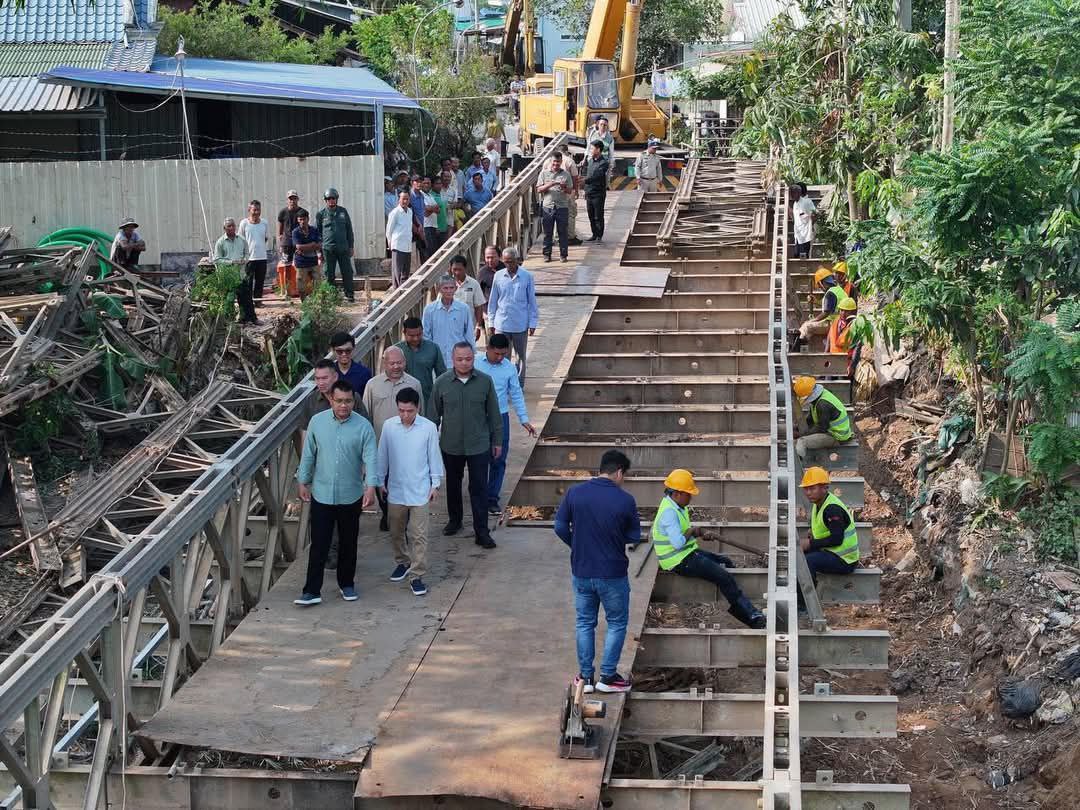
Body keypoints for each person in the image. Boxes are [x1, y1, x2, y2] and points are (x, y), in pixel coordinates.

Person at [553, 449, 640, 694]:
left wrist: (577, 545)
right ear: (619, 472)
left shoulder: (575, 493)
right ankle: (608, 677)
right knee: (616, 623)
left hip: (582, 570)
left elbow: (559, 526)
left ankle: (586, 678)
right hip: (612, 572)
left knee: (584, 622)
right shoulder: (625, 500)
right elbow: (634, 536)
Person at [294, 379, 379, 606]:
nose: (343, 405)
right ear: (331, 399)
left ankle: (347, 584)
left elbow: (371, 458)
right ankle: (311, 591)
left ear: (354, 401)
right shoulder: (317, 422)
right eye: (339, 401)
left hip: (351, 494)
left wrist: (371, 487)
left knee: (348, 542)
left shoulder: (363, 426)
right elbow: (308, 454)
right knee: (319, 544)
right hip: (322, 493)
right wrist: (302, 481)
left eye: (348, 401)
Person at [651, 469, 766, 629]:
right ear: (677, 493)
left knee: (725, 562)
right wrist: (693, 531)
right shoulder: (669, 512)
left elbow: (682, 534)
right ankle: (752, 617)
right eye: (688, 494)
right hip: (678, 561)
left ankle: (739, 600)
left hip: (685, 554)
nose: (691, 497)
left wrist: (697, 533)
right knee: (724, 577)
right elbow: (677, 543)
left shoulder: (677, 505)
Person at [428, 342, 502, 549]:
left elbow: (494, 414)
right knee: (453, 484)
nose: (464, 363)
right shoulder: (441, 383)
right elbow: (432, 417)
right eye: (459, 359)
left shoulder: (485, 382)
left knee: (479, 487)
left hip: (479, 444)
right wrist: (429, 447)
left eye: (468, 359)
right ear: (452, 359)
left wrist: (497, 441)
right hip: (451, 444)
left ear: (473, 358)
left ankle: (482, 531)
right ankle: (455, 520)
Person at [378, 387, 443, 597]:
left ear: (418, 408)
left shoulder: (428, 428)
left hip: (420, 489)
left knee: (418, 535)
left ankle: (417, 575)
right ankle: (403, 561)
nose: (405, 415)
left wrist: (435, 484)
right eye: (401, 410)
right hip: (396, 489)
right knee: (395, 530)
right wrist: (380, 480)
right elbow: (383, 455)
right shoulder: (389, 427)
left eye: (410, 411)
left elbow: (434, 455)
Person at [364, 345, 423, 531]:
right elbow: (366, 415)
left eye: (399, 362)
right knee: (382, 480)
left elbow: (421, 414)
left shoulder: (414, 384)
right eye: (392, 363)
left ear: (405, 362)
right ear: (384, 363)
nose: (396, 366)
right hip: (381, 444)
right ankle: (387, 513)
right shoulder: (372, 385)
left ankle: (401, 517)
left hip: (407, 446)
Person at [475, 333, 536, 514]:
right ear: (488, 349)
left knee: (498, 459)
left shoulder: (509, 368)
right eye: (497, 354)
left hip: (500, 418)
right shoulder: (475, 364)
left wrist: (524, 419)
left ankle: (492, 498)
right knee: (478, 459)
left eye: (503, 354)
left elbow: (516, 394)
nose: (500, 357)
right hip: (478, 417)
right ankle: (478, 494)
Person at [486, 246, 538, 388]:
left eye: (511, 261)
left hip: (520, 324)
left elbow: (532, 301)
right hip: (502, 324)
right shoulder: (498, 276)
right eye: (506, 262)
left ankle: (519, 386)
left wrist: (533, 322)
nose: (508, 265)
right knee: (502, 356)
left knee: (520, 357)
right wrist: (491, 322)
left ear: (517, 260)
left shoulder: (527, 276)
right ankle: (503, 384)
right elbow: (493, 301)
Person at [799, 466, 859, 584]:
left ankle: (806, 595)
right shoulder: (818, 503)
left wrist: (810, 543)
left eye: (812, 488)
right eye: (806, 489)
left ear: (825, 488)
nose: (808, 493)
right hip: (830, 551)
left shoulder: (832, 508)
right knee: (798, 556)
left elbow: (837, 539)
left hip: (845, 559)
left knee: (808, 561)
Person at [792, 375, 852, 459]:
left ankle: (800, 463)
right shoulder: (819, 398)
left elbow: (822, 428)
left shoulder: (822, 404)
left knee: (802, 442)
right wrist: (797, 428)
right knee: (800, 438)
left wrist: (801, 435)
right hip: (831, 431)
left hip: (836, 437)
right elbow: (811, 419)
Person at [423, 274, 476, 367]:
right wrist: (430, 354)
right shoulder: (430, 310)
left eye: (451, 288)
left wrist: (471, 353)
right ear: (439, 289)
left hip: (459, 357)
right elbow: (426, 334)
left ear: (456, 288)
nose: (449, 291)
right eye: (445, 288)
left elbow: (469, 333)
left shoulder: (463, 309)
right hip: (437, 358)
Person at [316, 188, 356, 302]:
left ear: (336, 199)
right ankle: (332, 296)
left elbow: (349, 230)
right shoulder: (321, 214)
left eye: (333, 198)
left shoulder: (343, 212)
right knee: (329, 273)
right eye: (329, 198)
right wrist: (319, 252)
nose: (331, 200)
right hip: (328, 249)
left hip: (343, 248)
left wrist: (351, 246)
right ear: (325, 200)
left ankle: (349, 294)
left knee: (347, 272)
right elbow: (318, 234)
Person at [396, 316, 446, 405]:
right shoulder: (396, 350)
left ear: (422, 332)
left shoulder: (433, 348)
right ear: (404, 333)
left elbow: (442, 375)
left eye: (419, 335)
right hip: (401, 400)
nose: (415, 338)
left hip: (426, 398)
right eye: (411, 336)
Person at [795, 267, 850, 346]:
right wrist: (816, 302)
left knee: (806, 326)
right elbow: (832, 306)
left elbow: (826, 313)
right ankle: (804, 345)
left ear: (822, 282)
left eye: (819, 285)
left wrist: (813, 320)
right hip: (840, 322)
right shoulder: (838, 290)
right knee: (808, 327)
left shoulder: (830, 293)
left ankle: (797, 346)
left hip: (833, 323)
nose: (820, 288)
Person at [537, 151, 574, 262]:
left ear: (561, 162)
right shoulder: (544, 173)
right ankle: (547, 254)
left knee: (562, 232)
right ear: (551, 161)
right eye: (554, 162)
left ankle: (563, 255)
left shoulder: (566, 174)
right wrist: (550, 184)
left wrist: (564, 187)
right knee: (547, 232)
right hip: (548, 207)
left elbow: (570, 190)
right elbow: (539, 189)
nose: (556, 164)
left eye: (558, 162)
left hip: (562, 207)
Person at [239, 200, 271, 308]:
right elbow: (240, 240)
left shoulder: (264, 223)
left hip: (262, 257)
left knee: (260, 281)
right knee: (248, 282)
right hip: (249, 258)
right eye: (254, 210)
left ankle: (258, 301)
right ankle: (248, 302)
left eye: (259, 210)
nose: (257, 212)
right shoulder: (244, 223)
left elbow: (265, 238)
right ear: (249, 210)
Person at [449, 254, 486, 338]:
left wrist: (478, 327)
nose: (457, 272)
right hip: (450, 329)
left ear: (465, 269)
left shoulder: (474, 284)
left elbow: (478, 307)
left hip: (468, 329)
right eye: (454, 269)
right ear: (450, 269)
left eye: (460, 269)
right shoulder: (446, 284)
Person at [330, 331, 372, 398]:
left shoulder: (364, 373)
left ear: (353, 349)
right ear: (332, 350)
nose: (344, 354)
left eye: (348, 350)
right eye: (339, 351)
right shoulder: (328, 373)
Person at [385, 192, 414, 289]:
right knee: (397, 270)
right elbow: (389, 230)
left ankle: (404, 289)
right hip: (397, 245)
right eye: (403, 199)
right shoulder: (395, 212)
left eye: (407, 199)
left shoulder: (410, 211)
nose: (405, 201)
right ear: (399, 200)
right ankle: (397, 289)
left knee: (406, 271)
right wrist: (390, 243)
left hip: (407, 245)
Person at [583, 140, 609, 242]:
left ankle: (599, 235)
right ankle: (594, 234)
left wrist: (585, 180)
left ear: (598, 150)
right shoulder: (590, 161)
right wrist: (585, 190)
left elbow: (597, 176)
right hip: (589, 192)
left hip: (598, 193)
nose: (590, 150)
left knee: (598, 215)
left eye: (592, 148)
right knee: (591, 215)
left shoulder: (604, 163)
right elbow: (588, 174)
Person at [291, 208, 321, 298]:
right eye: (300, 219)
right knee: (301, 284)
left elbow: (319, 245)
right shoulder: (295, 232)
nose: (302, 221)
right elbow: (298, 247)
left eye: (304, 219)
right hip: (301, 262)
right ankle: (304, 302)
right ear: (298, 220)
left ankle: (316, 300)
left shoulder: (314, 230)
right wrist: (312, 245)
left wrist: (305, 247)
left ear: (308, 219)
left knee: (317, 282)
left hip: (313, 260)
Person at [560, 145, 582, 245]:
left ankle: (557, 237)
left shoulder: (549, 161)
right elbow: (575, 177)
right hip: (568, 191)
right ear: (566, 152)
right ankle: (570, 237)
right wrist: (576, 191)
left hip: (554, 192)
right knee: (571, 213)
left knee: (556, 214)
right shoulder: (569, 161)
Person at [584, 116, 614, 183]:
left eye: (605, 125)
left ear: (607, 126)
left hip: (602, 162)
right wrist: (584, 159)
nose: (603, 126)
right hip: (592, 160)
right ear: (598, 125)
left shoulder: (610, 138)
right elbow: (588, 147)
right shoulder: (593, 134)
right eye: (601, 124)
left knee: (599, 180)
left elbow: (611, 153)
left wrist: (611, 164)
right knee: (590, 178)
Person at [790, 182, 816, 259]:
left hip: (805, 235)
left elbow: (815, 213)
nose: (791, 195)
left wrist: (811, 225)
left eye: (793, 193)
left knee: (803, 257)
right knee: (796, 255)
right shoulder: (795, 203)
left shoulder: (807, 201)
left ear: (799, 192)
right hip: (798, 235)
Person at [277, 190, 302, 268]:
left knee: (300, 264)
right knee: (285, 265)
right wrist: (280, 237)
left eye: (294, 198)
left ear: (297, 199)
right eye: (290, 199)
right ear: (287, 200)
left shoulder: (302, 212)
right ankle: (286, 277)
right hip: (286, 244)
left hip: (299, 242)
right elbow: (280, 225)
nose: (292, 201)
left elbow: (305, 226)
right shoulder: (282, 212)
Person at [420, 176, 441, 258]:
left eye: (428, 183)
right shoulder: (421, 194)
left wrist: (431, 209)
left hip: (433, 226)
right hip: (426, 226)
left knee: (433, 251)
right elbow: (426, 210)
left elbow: (438, 210)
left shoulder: (430, 195)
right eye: (424, 183)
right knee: (429, 252)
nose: (426, 185)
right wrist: (433, 208)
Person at [432, 174, 450, 248]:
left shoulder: (442, 194)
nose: (439, 186)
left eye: (440, 183)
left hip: (444, 228)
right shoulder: (431, 196)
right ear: (432, 185)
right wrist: (436, 227)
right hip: (437, 230)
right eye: (437, 184)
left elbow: (444, 210)